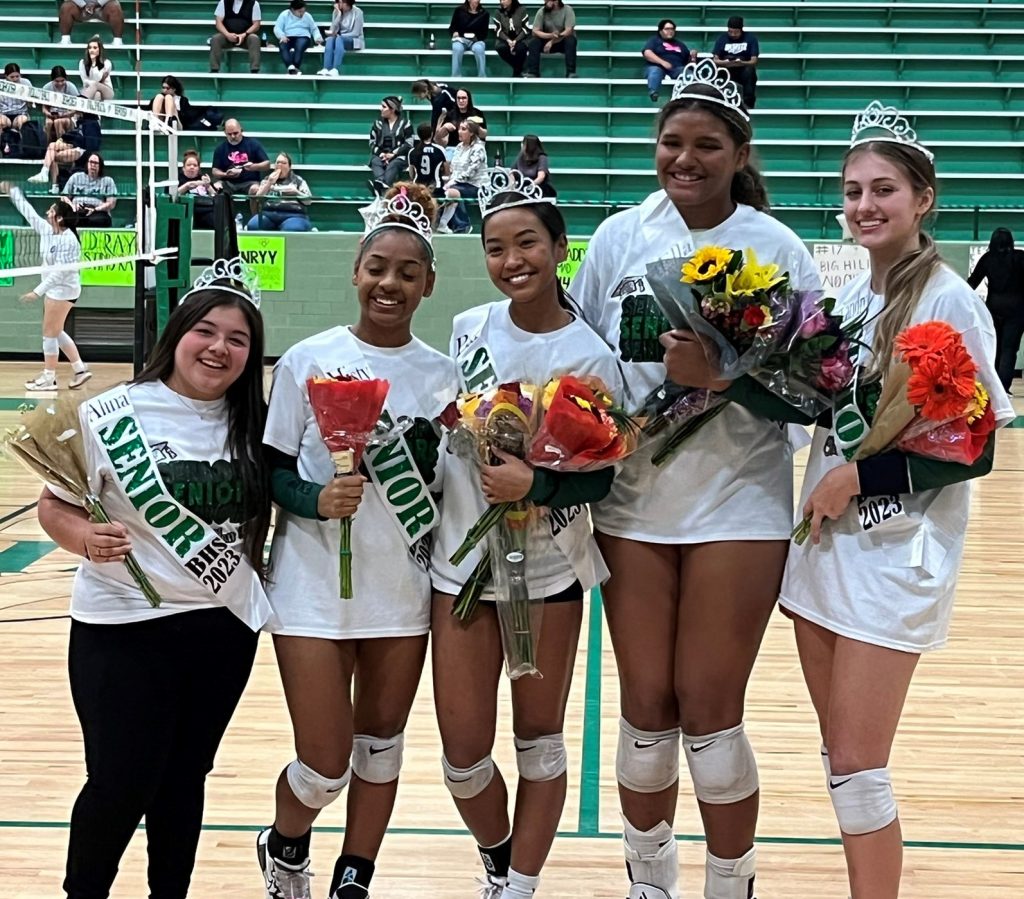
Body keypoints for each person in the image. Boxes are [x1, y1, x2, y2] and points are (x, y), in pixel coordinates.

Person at [568, 60, 822, 899]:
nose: (686, 158)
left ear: (739, 150)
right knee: (646, 713)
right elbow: (582, 362)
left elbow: (821, 383)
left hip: (739, 498)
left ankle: (730, 881)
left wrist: (727, 376)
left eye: (707, 144)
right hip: (634, 499)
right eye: (671, 142)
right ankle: (650, 880)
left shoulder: (775, 248)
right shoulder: (618, 238)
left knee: (709, 710)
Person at [778, 104, 1013, 899]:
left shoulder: (950, 300)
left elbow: (978, 446)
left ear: (923, 198)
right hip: (822, 552)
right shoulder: (848, 303)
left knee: (858, 766)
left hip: (894, 554)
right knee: (841, 762)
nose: (865, 206)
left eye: (884, 189)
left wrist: (862, 479)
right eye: (852, 192)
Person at [35, 260, 273, 899]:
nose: (220, 348)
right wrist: (83, 538)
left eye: (239, 338)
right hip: (122, 628)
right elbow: (53, 505)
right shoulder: (110, 412)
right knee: (120, 780)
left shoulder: (258, 425)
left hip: (222, 627)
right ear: (178, 334)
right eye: (207, 331)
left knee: (185, 777)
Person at [431, 168, 623, 899]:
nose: (512, 260)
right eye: (496, 247)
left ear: (558, 247)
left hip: (547, 571)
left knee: (539, 742)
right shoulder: (467, 329)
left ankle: (519, 887)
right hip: (462, 565)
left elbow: (602, 474)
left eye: (527, 243)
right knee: (463, 757)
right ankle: (500, 852)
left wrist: (535, 484)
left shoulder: (589, 354)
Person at [258, 182, 454, 899]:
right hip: (309, 583)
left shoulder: (444, 375)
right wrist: (316, 497)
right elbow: (272, 471)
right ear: (354, 270)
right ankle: (285, 841)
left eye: (407, 272)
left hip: (400, 586)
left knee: (381, 746)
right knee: (325, 763)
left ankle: (354, 875)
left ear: (428, 283)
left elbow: (447, 488)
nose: (390, 282)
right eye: (378, 266)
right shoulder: (308, 358)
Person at [0, 182, 91, 391]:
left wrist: (36, 291)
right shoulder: (47, 230)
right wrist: (13, 191)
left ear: (59, 217)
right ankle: (80, 369)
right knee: (56, 331)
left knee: (48, 333)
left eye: (51, 210)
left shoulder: (69, 241)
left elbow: (59, 273)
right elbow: (28, 212)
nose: (46, 212)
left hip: (63, 290)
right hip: (55, 290)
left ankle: (49, 379)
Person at [969, 227, 1024, 391]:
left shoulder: (987, 259)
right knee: (1009, 349)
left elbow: (972, 282)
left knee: (994, 347)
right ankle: (1003, 388)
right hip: (1017, 309)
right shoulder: (1020, 257)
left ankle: (991, 387)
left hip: (993, 307)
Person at [439, 119, 487, 234]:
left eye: (463, 129)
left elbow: (471, 172)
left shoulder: (478, 148)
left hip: (477, 185)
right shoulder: (459, 147)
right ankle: (446, 224)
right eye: (459, 129)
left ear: (472, 133)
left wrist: (453, 182)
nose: (459, 131)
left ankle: (460, 224)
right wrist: (449, 181)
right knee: (448, 191)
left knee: (451, 192)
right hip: (459, 184)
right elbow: (454, 169)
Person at [212, 118, 270, 210]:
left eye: (235, 133)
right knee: (216, 188)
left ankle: (254, 221)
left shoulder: (253, 144)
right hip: (228, 182)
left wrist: (253, 167)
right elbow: (215, 171)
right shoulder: (220, 148)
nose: (233, 136)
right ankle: (222, 222)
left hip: (250, 182)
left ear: (241, 131)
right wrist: (225, 174)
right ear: (225, 133)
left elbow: (267, 164)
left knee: (255, 190)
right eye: (229, 134)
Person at [247, 152, 313, 231]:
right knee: (253, 225)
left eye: (284, 163)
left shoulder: (298, 180)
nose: (280, 165)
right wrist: (269, 183)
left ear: (289, 166)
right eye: (278, 162)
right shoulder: (267, 179)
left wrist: (296, 192)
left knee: (292, 229)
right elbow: (258, 198)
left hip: (293, 214)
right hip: (269, 214)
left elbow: (308, 201)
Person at [368, 96, 414, 196]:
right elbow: (372, 142)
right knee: (375, 161)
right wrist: (381, 154)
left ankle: (381, 187)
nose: (381, 109)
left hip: (399, 156)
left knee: (394, 164)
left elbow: (409, 144)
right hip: (380, 155)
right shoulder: (378, 123)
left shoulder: (406, 123)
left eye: (383, 107)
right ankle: (381, 182)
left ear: (392, 109)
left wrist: (393, 154)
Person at [712, 16, 759, 109]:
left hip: (743, 67)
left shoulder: (751, 39)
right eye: (730, 32)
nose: (733, 34)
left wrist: (742, 62)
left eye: (736, 32)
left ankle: (748, 104)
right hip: (726, 67)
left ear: (741, 30)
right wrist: (725, 62)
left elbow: (754, 60)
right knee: (719, 72)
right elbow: (715, 59)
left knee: (749, 72)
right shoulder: (722, 38)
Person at [643, 19, 693, 103]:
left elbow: (688, 61)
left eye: (672, 29)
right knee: (655, 71)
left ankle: (689, 95)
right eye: (667, 29)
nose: (670, 31)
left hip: (676, 68)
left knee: (687, 72)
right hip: (658, 66)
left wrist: (692, 56)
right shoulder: (654, 41)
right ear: (660, 31)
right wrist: (662, 62)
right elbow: (647, 53)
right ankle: (654, 92)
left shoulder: (680, 44)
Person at [63, 150, 117, 228]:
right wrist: (72, 206)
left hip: (97, 211)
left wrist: (95, 209)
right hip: (77, 210)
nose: (93, 165)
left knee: (101, 220)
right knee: (70, 218)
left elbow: (111, 203)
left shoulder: (107, 181)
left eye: (96, 163)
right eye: (91, 162)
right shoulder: (76, 177)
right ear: (87, 164)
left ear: (100, 166)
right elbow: (64, 197)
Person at [525, 0, 577, 79]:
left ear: (556, 1)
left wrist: (552, 41)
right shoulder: (542, 11)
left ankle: (571, 72)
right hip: (546, 41)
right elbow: (535, 31)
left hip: (561, 41)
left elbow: (568, 31)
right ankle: (533, 72)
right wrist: (550, 35)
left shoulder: (568, 10)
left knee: (570, 40)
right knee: (533, 42)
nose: (546, 2)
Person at [211, 0, 263, 74]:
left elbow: (256, 25)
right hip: (227, 36)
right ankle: (214, 69)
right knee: (215, 39)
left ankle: (255, 70)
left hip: (245, 37)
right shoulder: (223, 2)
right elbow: (218, 22)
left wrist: (245, 34)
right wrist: (227, 34)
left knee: (254, 39)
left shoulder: (254, 3)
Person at [274, 0, 323, 75]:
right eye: (300, 12)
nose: (302, 14)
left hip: (303, 36)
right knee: (283, 45)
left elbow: (314, 28)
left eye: (303, 11)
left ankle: (294, 68)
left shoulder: (307, 16)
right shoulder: (284, 14)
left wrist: (317, 38)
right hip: (288, 37)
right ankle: (290, 66)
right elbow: (277, 28)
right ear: (293, 10)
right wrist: (282, 36)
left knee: (299, 46)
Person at [317, 0, 365, 77]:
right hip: (339, 39)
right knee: (330, 39)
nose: (339, 4)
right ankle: (326, 68)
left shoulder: (358, 12)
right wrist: (338, 15)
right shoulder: (336, 12)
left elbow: (356, 33)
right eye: (338, 2)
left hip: (355, 40)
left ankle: (335, 69)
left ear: (348, 3)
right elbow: (332, 30)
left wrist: (340, 36)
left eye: (341, 2)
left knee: (339, 39)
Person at [178, 148, 220, 229]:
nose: (192, 167)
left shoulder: (203, 178)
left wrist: (208, 186)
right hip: (186, 210)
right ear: (183, 168)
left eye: (195, 165)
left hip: (205, 209)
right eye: (189, 165)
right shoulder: (177, 179)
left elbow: (215, 196)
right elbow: (172, 195)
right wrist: (186, 186)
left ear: (198, 168)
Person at [409, 121, 449, 199]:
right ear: (431, 134)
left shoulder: (413, 151)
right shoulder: (439, 149)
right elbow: (446, 171)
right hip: (436, 188)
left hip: (418, 188)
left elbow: (412, 174)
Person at [449, 0, 488, 79]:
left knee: (479, 48)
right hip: (461, 39)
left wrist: (476, 37)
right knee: (457, 48)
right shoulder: (459, 10)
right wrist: (454, 33)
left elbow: (484, 32)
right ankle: (456, 76)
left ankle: (482, 76)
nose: (477, 1)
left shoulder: (484, 13)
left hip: (476, 40)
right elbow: (452, 27)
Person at [59, 0, 125, 46]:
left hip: (103, 8)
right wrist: (83, 5)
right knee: (66, 6)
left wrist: (96, 4)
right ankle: (65, 40)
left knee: (115, 6)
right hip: (81, 8)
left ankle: (117, 41)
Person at [42, 65, 80, 143]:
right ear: (52, 80)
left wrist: (66, 114)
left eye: (62, 80)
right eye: (57, 81)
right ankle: (46, 146)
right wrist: (49, 114)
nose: (60, 83)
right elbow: (44, 108)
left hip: (69, 115)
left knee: (58, 122)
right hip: (52, 114)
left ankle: (63, 145)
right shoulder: (47, 87)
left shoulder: (71, 87)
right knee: (48, 123)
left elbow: (76, 108)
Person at [493, 0, 531, 78]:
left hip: (520, 38)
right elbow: (498, 30)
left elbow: (525, 29)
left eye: (504, 0)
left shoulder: (522, 10)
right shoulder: (498, 12)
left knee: (521, 49)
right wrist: (508, 40)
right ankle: (518, 69)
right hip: (504, 39)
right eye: (501, 0)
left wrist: (515, 41)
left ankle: (516, 72)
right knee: (501, 48)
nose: (502, 2)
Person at [78, 36, 114, 101]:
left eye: (95, 48)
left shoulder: (107, 63)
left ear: (100, 49)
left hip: (107, 90)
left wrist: (94, 62)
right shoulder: (82, 63)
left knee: (95, 84)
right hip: (89, 89)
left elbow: (98, 79)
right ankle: (88, 111)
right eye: (90, 48)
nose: (92, 50)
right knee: (97, 94)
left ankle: (80, 103)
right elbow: (84, 81)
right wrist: (91, 84)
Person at [1, 62, 32, 132]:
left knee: (22, 121)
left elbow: (30, 103)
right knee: (1, 122)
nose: (15, 79)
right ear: (6, 76)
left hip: (21, 113)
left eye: (17, 76)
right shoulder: (1, 84)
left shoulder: (26, 83)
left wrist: (28, 99)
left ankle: (22, 142)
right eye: (12, 77)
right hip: (4, 114)